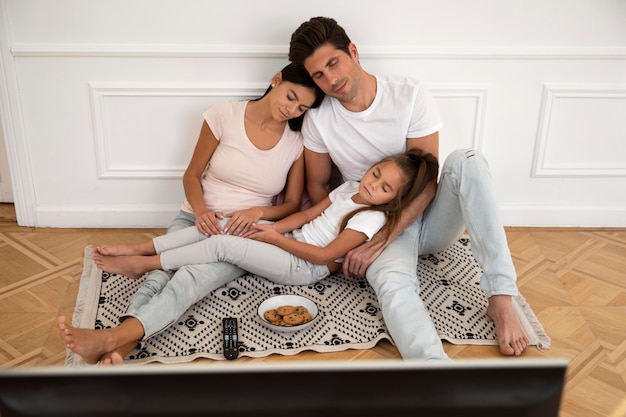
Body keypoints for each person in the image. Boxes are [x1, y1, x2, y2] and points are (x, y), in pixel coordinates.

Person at [287, 16, 529, 360]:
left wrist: (385, 238)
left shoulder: (409, 93)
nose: (331, 80)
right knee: (393, 286)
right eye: (318, 75)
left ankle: (501, 298)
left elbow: (427, 181)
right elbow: (320, 187)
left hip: (427, 218)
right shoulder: (318, 118)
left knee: (468, 159)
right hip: (369, 223)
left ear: (353, 52)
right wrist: (350, 242)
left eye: (333, 63)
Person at [58, 150, 439, 365]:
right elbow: (305, 215)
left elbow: (324, 256)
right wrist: (275, 229)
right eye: (375, 174)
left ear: (395, 199)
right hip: (290, 242)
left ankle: (146, 261)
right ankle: (133, 293)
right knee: (226, 225)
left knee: (225, 244)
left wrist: (274, 237)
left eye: (384, 187)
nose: (373, 184)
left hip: (304, 266)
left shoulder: (371, 218)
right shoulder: (351, 189)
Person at [59, 63, 324, 365]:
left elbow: (291, 203)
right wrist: (200, 212)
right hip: (195, 220)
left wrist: (258, 210)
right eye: (290, 97)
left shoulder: (295, 143)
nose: (292, 110)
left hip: (243, 235)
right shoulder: (224, 115)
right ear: (276, 80)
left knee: (188, 278)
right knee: (158, 274)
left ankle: (111, 339)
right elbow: (192, 175)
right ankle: (120, 347)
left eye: (302, 107)